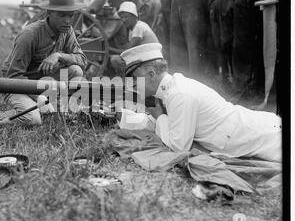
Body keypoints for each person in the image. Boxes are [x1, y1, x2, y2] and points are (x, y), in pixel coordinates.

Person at [120, 43, 282, 162]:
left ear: (151, 74)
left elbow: (178, 146)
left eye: (134, 79)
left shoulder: (178, 94)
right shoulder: (173, 87)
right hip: (245, 126)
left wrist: (160, 117)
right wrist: (123, 117)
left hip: (258, 137)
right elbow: (161, 121)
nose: (132, 85)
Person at [0, 0, 87, 126]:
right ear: (49, 13)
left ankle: (58, 108)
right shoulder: (30, 34)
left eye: (70, 15)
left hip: (42, 81)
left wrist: (59, 55)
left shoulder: (67, 30)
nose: (68, 21)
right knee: (33, 119)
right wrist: (41, 99)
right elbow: (14, 76)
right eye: (62, 15)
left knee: (76, 70)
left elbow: (82, 59)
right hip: (17, 85)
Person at [168, 0, 218, 78]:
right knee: (177, 47)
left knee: (194, 46)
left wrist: (205, 3)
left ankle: (198, 85)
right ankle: (181, 88)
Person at [110, 1, 159, 75]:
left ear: (134, 16)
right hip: (145, 56)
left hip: (151, 59)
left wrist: (109, 50)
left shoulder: (139, 27)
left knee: (115, 59)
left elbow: (127, 50)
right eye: (122, 17)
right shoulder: (132, 30)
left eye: (126, 17)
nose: (123, 20)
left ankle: (129, 81)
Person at [209, 0, 234, 84]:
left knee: (225, 42)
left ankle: (229, 76)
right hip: (217, 1)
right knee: (219, 42)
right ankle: (225, 76)